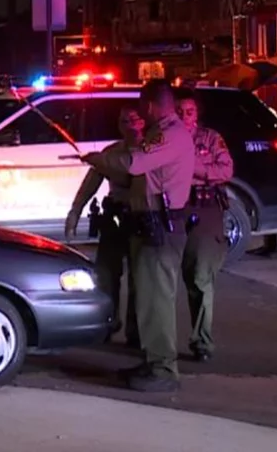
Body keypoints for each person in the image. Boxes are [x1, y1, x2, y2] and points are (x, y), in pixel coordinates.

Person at [82, 79, 195, 393]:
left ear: (150, 104)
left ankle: (163, 369)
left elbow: (134, 163)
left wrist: (99, 159)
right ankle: (152, 361)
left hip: (160, 227)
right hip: (148, 225)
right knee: (147, 299)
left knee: (157, 300)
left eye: (143, 105)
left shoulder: (169, 136)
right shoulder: (162, 134)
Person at [64, 106, 145, 347]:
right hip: (115, 217)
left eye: (134, 118)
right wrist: (75, 212)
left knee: (140, 279)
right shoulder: (112, 152)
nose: (129, 124)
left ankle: (136, 331)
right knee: (107, 275)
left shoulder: (149, 151)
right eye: (123, 120)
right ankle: (109, 324)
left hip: (141, 218)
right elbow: (91, 182)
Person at [175, 90, 233, 362]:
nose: (184, 117)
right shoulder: (165, 138)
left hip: (205, 208)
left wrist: (194, 168)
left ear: (197, 115)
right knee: (166, 276)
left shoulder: (210, 138)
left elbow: (225, 170)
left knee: (200, 277)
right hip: (175, 211)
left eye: (190, 112)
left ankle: (202, 342)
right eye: (179, 111)